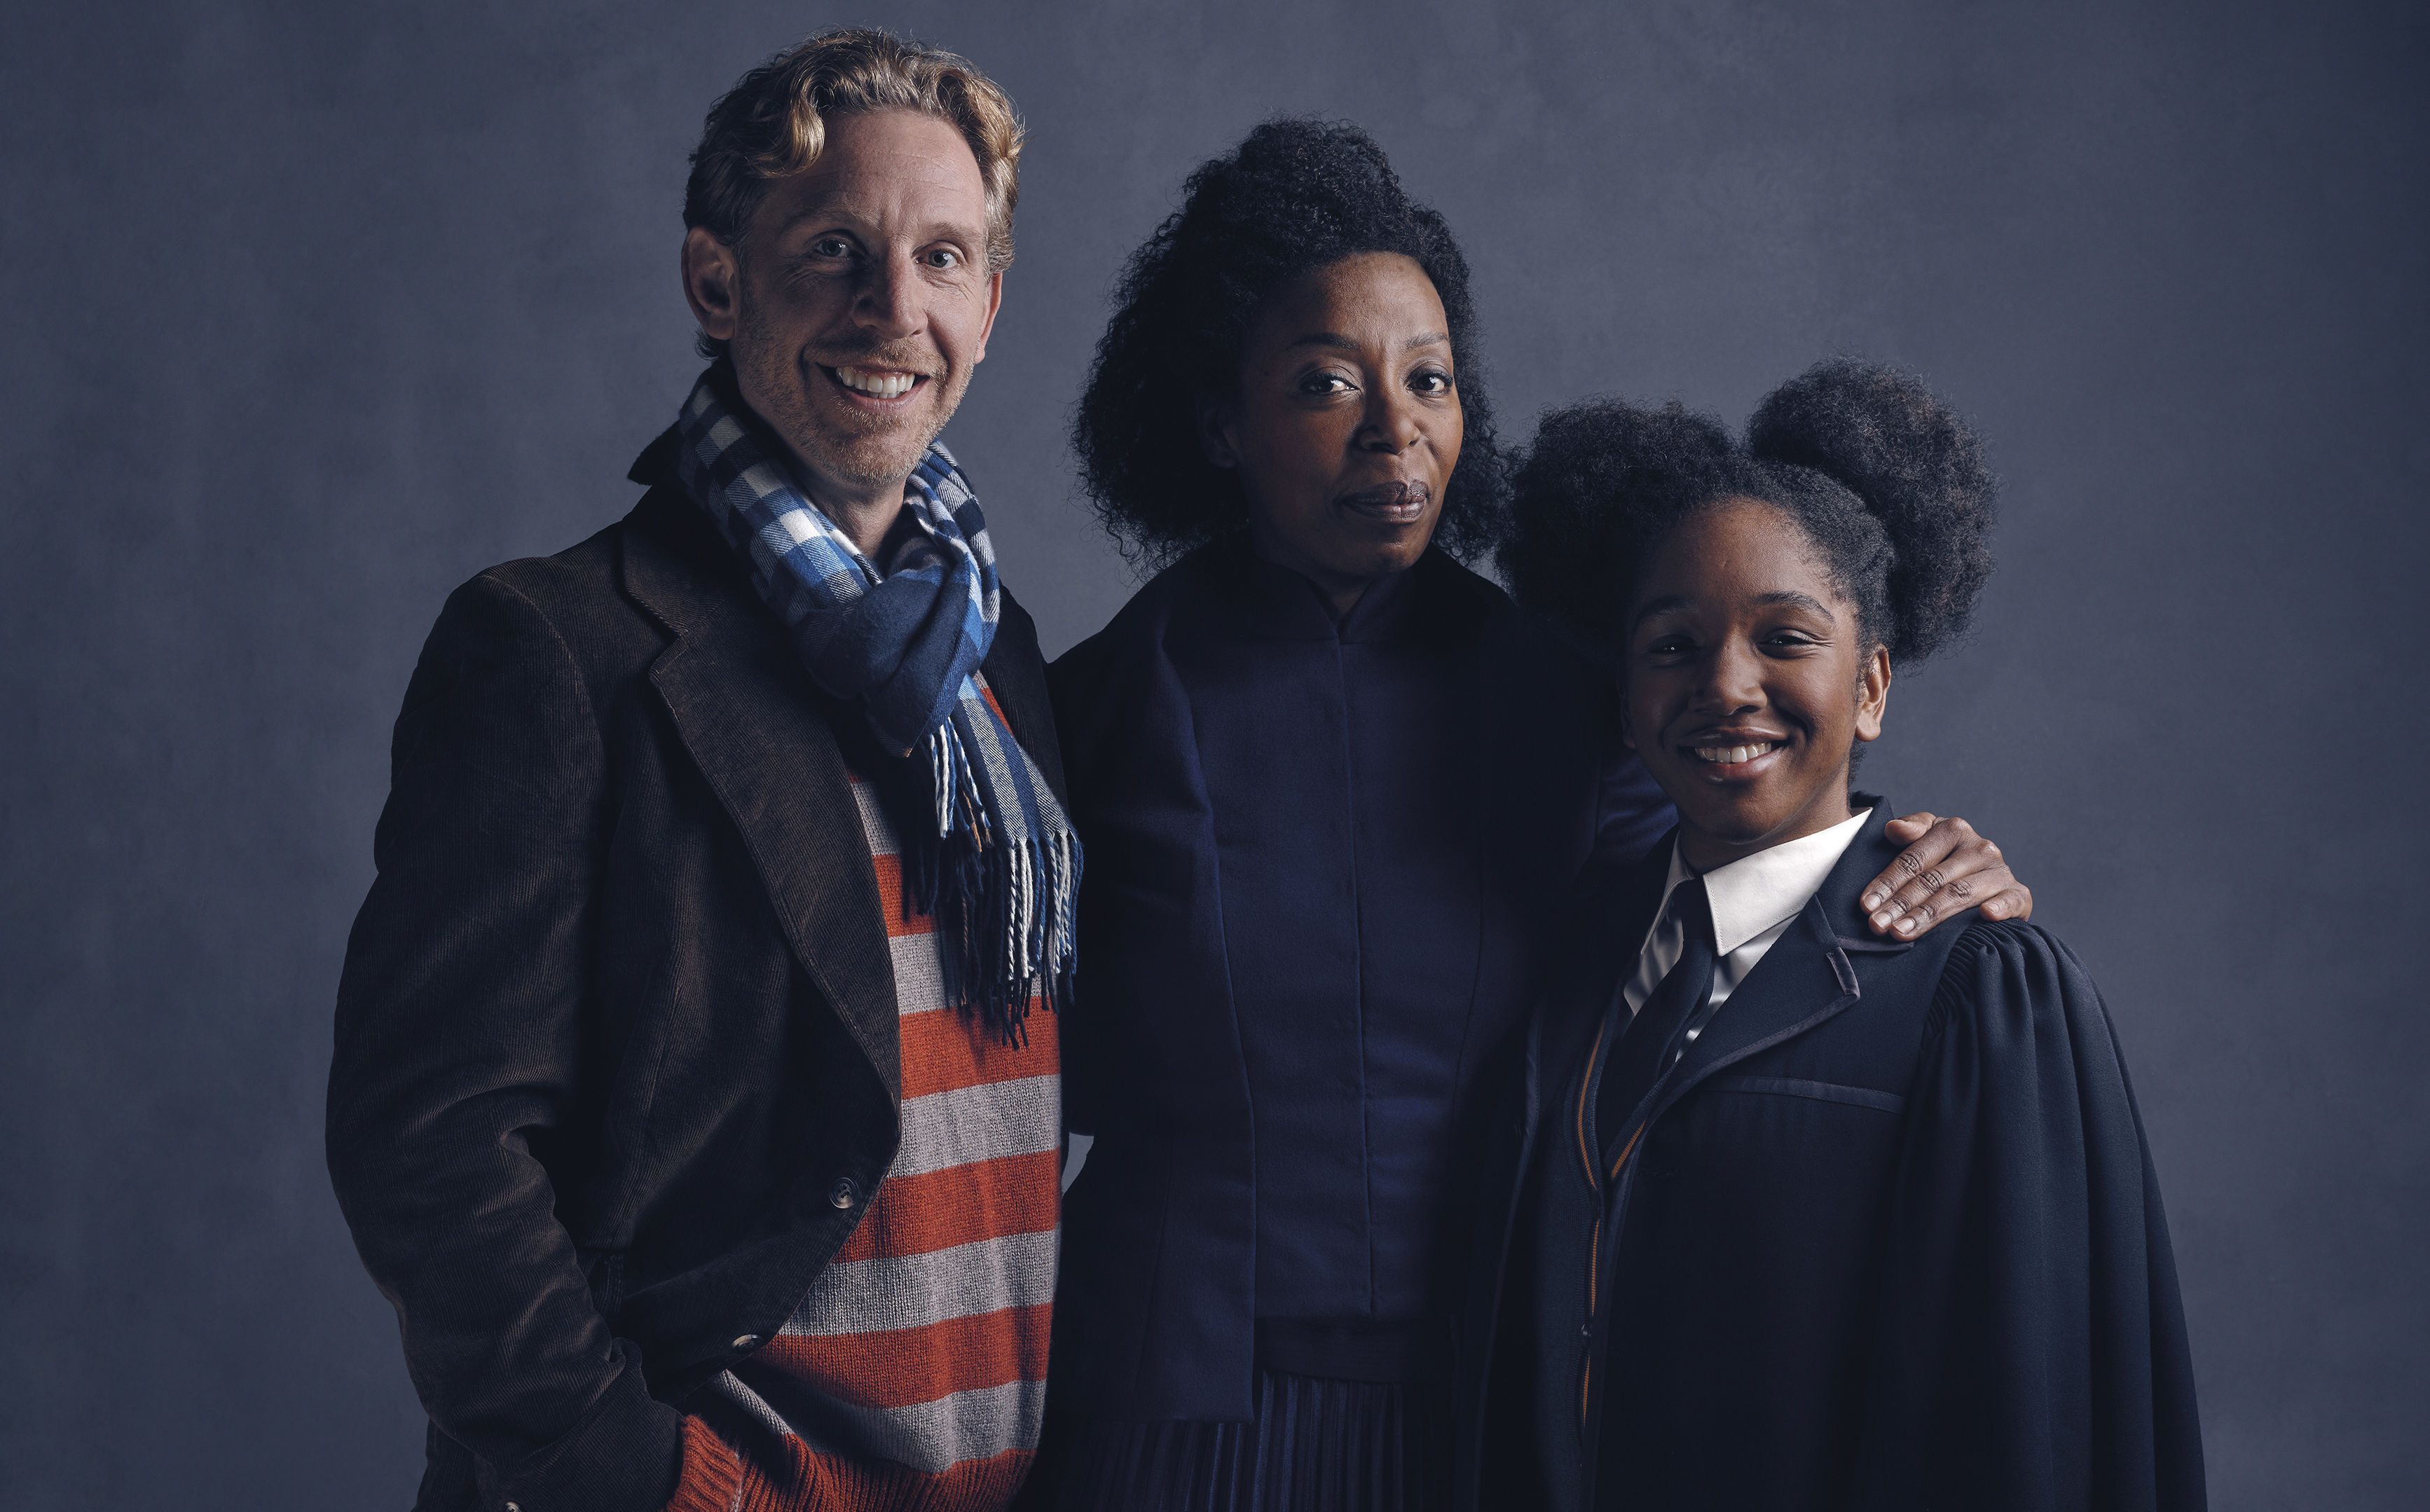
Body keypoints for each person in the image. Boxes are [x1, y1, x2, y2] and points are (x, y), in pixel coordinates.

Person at [1035, 123, 2033, 1511]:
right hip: (1165, 1411)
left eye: (1430, 379)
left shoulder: (1573, 699)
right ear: (1220, 420)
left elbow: (1727, 900)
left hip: (1494, 1404)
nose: (1396, 427)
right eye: (1328, 382)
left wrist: (1904, 859)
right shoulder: (1083, 709)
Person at [326, 30, 1076, 1512]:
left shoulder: (999, 662)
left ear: (989, 304)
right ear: (716, 279)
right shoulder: (556, 648)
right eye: (835, 251)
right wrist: (658, 1484)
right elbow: (431, 1149)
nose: (893, 309)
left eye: (941, 258)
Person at [1460, 363, 2206, 1511]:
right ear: (1623, 690)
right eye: (1672, 644)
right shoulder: (1579, 963)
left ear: (1870, 687)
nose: (1726, 685)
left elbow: (2018, 1421)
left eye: (1784, 638)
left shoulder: (1973, 991)